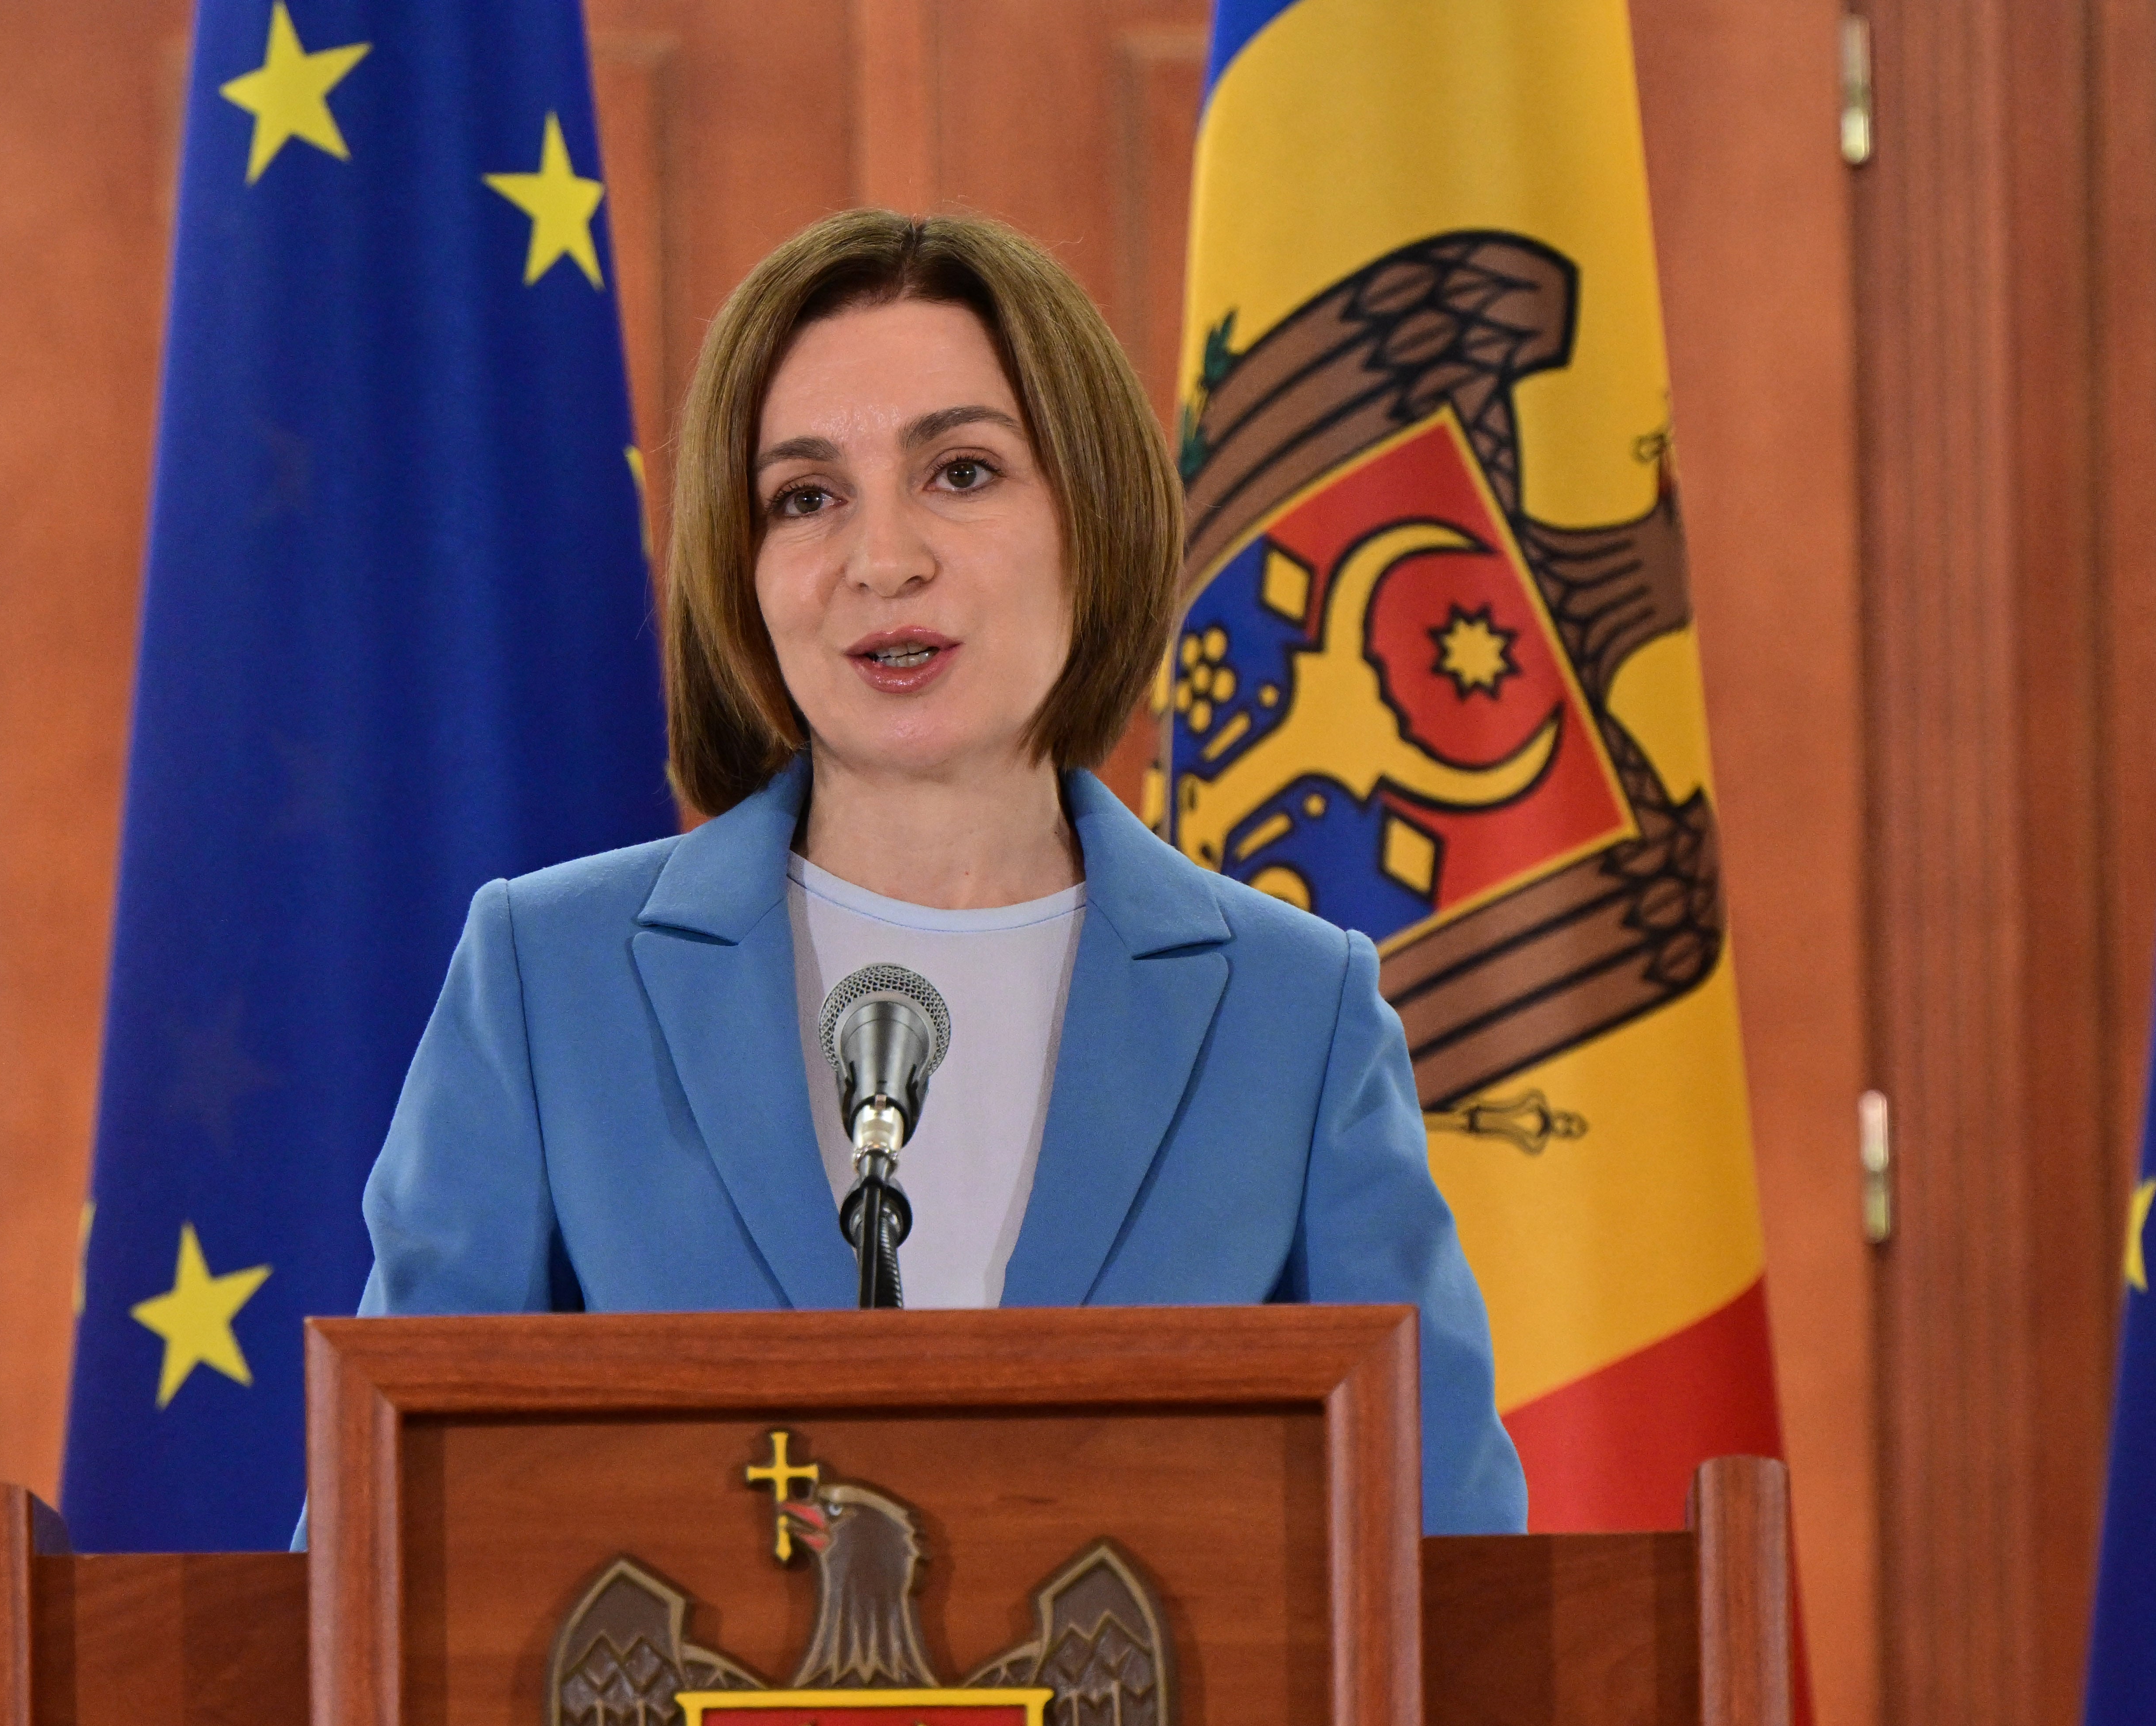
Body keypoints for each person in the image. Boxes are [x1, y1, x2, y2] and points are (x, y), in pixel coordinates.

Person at [356, 208, 1524, 1534]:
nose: (883, 559)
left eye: (961, 473)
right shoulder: (549, 981)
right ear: (743, 578)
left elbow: (1450, 1553)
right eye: (805, 497)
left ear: (1092, 513)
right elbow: (389, 1539)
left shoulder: (1291, 1012)